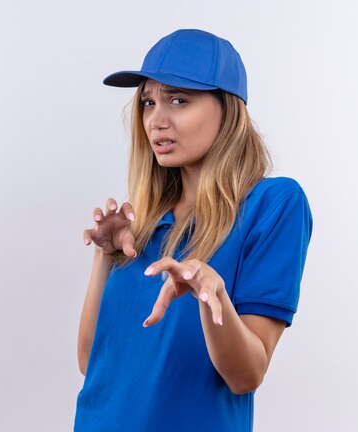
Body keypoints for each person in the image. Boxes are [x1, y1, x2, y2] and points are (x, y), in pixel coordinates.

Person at [74, 29, 313, 432]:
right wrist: (104, 255)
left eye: (178, 100)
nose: (156, 120)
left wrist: (211, 293)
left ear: (227, 108)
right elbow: (90, 363)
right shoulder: (143, 226)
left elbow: (246, 375)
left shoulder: (273, 205)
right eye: (148, 102)